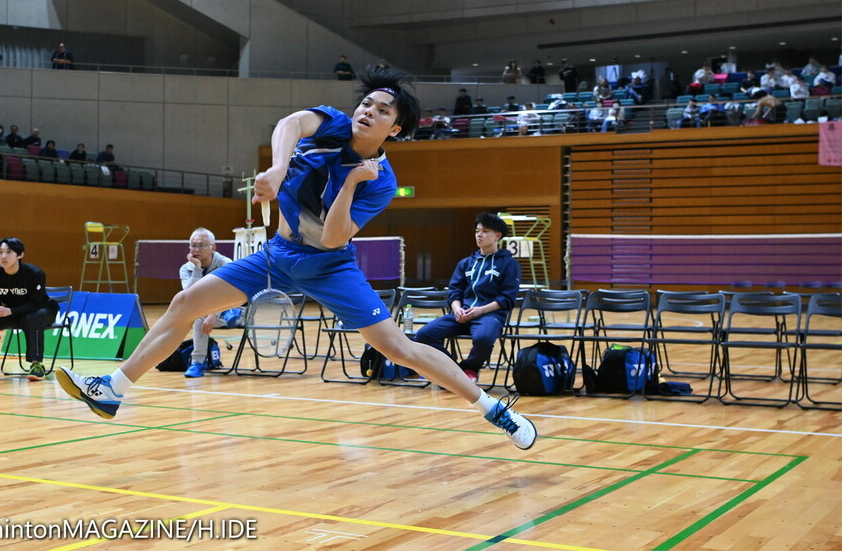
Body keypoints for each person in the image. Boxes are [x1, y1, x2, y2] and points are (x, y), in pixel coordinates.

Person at [56, 66, 537, 450]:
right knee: (185, 304)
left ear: (398, 127)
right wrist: (277, 166)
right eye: (366, 103)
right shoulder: (329, 122)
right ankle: (113, 389)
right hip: (276, 254)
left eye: (383, 110)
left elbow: (332, 240)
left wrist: (349, 183)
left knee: (399, 348)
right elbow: (290, 123)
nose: (368, 111)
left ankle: (494, 409)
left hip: (329, 266)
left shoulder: (381, 181)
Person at [413, 213, 520, 384]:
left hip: (489, 315)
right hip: (461, 315)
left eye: (485, 231)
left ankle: (470, 368)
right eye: (477, 231)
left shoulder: (509, 264)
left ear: (497, 235)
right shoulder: (465, 263)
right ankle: (452, 371)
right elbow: (454, 292)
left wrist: (480, 310)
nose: (479, 235)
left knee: (484, 338)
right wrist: (457, 310)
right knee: (424, 334)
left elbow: (507, 298)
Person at [0, 238, 59, 381]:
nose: (3, 256)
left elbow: (36, 303)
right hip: (14, 312)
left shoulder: (35, 273)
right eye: (0, 252)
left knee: (32, 318)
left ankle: (36, 365)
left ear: (20, 255)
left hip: (41, 310)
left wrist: (11, 311)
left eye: (9, 252)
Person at [179, 227, 244, 378]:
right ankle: (197, 364)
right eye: (193, 245)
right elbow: (189, 295)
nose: (196, 249)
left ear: (213, 247)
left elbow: (228, 293)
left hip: (232, 306)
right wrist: (196, 269)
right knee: (199, 318)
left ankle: (231, 313)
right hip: (206, 312)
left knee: (224, 305)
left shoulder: (225, 263)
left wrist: (214, 313)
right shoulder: (185, 269)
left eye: (201, 245)